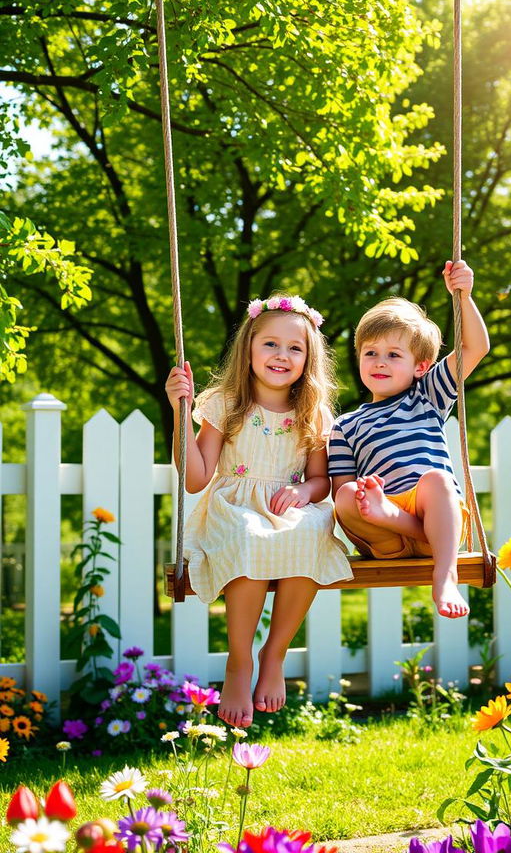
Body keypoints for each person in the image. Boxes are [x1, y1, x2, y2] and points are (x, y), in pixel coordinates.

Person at [165, 295, 352, 728]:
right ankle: (239, 660)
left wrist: (305, 492)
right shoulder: (225, 403)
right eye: (270, 344)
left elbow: (320, 479)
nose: (281, 355)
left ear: (309, 358)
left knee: (315, 530)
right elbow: (195, 478)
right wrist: (180, 414)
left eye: (294, 348)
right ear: (248, 349)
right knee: (250, 536)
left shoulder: (313, 412)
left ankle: (275, 654)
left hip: (286, 508)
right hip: (235, 509)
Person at [328, 260, 489, 620]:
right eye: (370, 353)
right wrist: (369, 500)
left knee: (437, 480)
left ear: (421, 366)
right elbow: (340, 492)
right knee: (343, 495)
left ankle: (444, 577)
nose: (379, 362)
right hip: (383, 533)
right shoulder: (345, 425)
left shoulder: (428, 396)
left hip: (438, 528)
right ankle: (392, 516)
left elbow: (475, 348)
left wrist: (462, 295)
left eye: (393, 355)